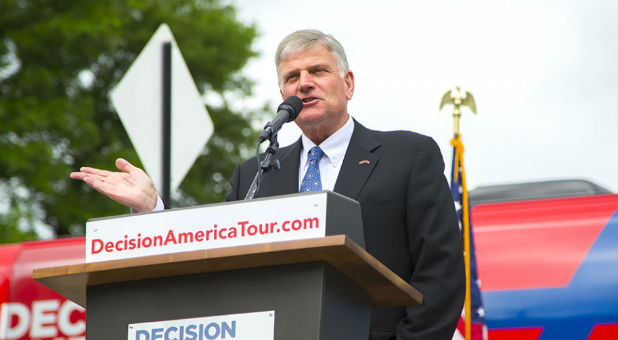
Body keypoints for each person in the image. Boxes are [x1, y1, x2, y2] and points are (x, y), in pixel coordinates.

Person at [71, 29, 464, 339]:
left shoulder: (407, 155)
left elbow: (441, 271)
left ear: (348, 84)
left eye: (318, 71)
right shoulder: (255, 174)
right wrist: (152, 209)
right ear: (282, 96)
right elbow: (215, 258)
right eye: (292, 77)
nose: (304, 83)